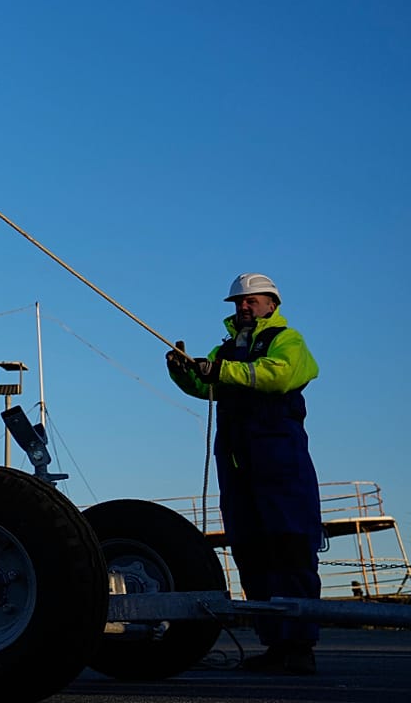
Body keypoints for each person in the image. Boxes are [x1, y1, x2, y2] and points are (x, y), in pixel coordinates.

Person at [166, 272, 322, 675]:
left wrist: (220, 371)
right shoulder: (227, 351)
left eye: (252, 301)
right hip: (238, 466)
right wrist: (184, 371)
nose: (244, 307)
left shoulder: (288, 341)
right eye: (239, 302)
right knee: (250, 551)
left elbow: (279, 374)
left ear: (272, 304)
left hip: (280, 463)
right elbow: (208, 386)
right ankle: (275, 644)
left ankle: (300, 646)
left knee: (290, 547)